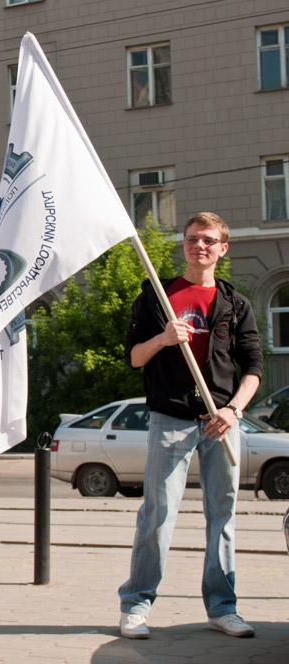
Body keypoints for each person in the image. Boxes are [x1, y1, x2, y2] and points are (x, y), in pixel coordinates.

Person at [118, 212, 263, 640]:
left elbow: (253, 366)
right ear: (183, 245)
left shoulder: (235, 303)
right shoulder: (157, 295)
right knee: (158, 515)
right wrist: (163, 339)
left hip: (221, 422)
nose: (199, 245)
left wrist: (233, 410)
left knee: (223, 518)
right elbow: (134, 358)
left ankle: (222, 608)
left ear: (223, 248)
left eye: (208, 240)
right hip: (170, 419)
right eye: (192, 239)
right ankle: (136, 606)